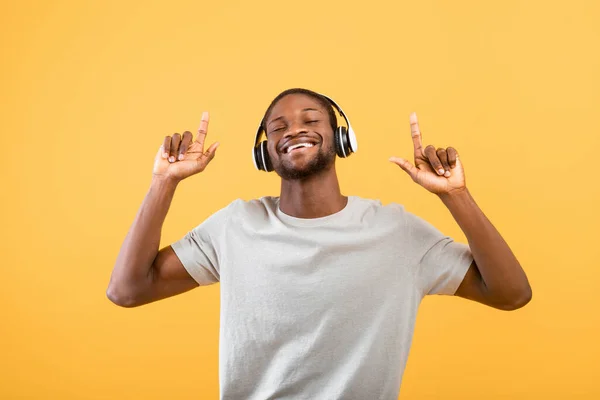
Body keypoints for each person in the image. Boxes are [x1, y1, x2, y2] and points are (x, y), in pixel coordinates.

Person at [107, 88, 532, 399]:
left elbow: (511, 293)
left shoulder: (397, 233)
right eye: (279, 127)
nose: (295, 130)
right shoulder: (236, 225)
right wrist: (163, 183)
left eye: (311, 120)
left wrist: (455, 195)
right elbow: (127, 290)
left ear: (341, 138)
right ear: (265, 153)